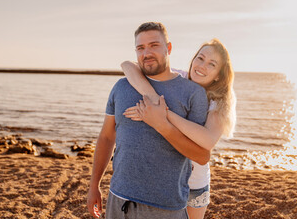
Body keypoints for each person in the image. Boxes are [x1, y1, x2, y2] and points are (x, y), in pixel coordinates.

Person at [87, 22, 211, 219]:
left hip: (166, 207)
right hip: (118, 200)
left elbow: (202, 155)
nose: (146, 53)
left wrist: (161, 125)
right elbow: (107, 137)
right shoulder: (121, 86)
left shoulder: (192, 93)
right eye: (140, 48)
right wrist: (94, 185)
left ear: (168, 48)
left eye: (154, 45)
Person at [121, 38, 236, 219]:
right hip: (165, 181)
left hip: (195, 186)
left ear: (219, 75)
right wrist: (153, 100)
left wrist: (163, 113)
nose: (202, 66)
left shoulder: (218, 102)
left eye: (211, 64)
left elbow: (208, 140)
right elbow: (128, 65)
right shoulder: (177, 78)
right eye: (200, 58)